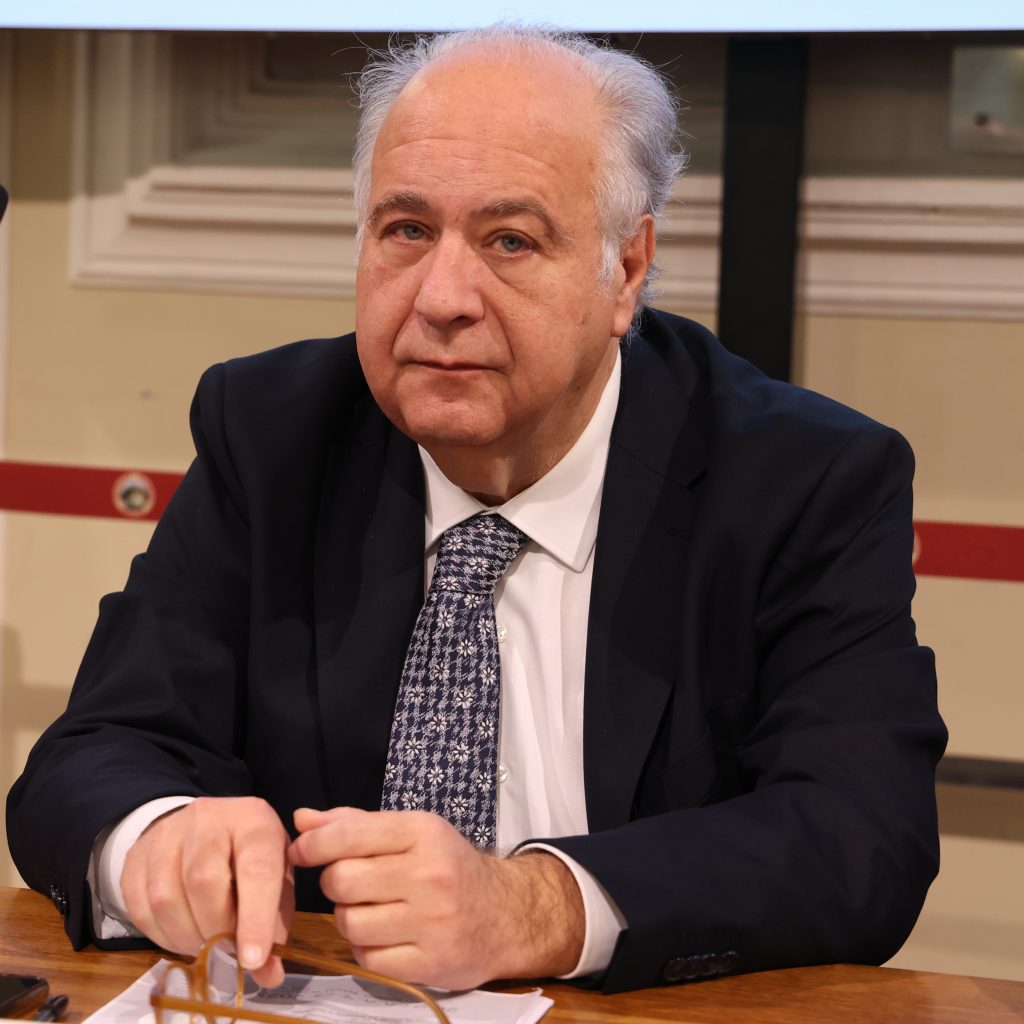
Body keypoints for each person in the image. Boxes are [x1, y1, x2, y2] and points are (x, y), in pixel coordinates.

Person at [6, 26, 946, 995]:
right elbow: (95, 754)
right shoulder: (273, 434)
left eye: (510, 241)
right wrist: (160, 838)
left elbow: (860, 834)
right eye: (407, 231)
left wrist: (532, 906)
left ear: (625, 271)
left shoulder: (798, 478)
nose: (442, 298)